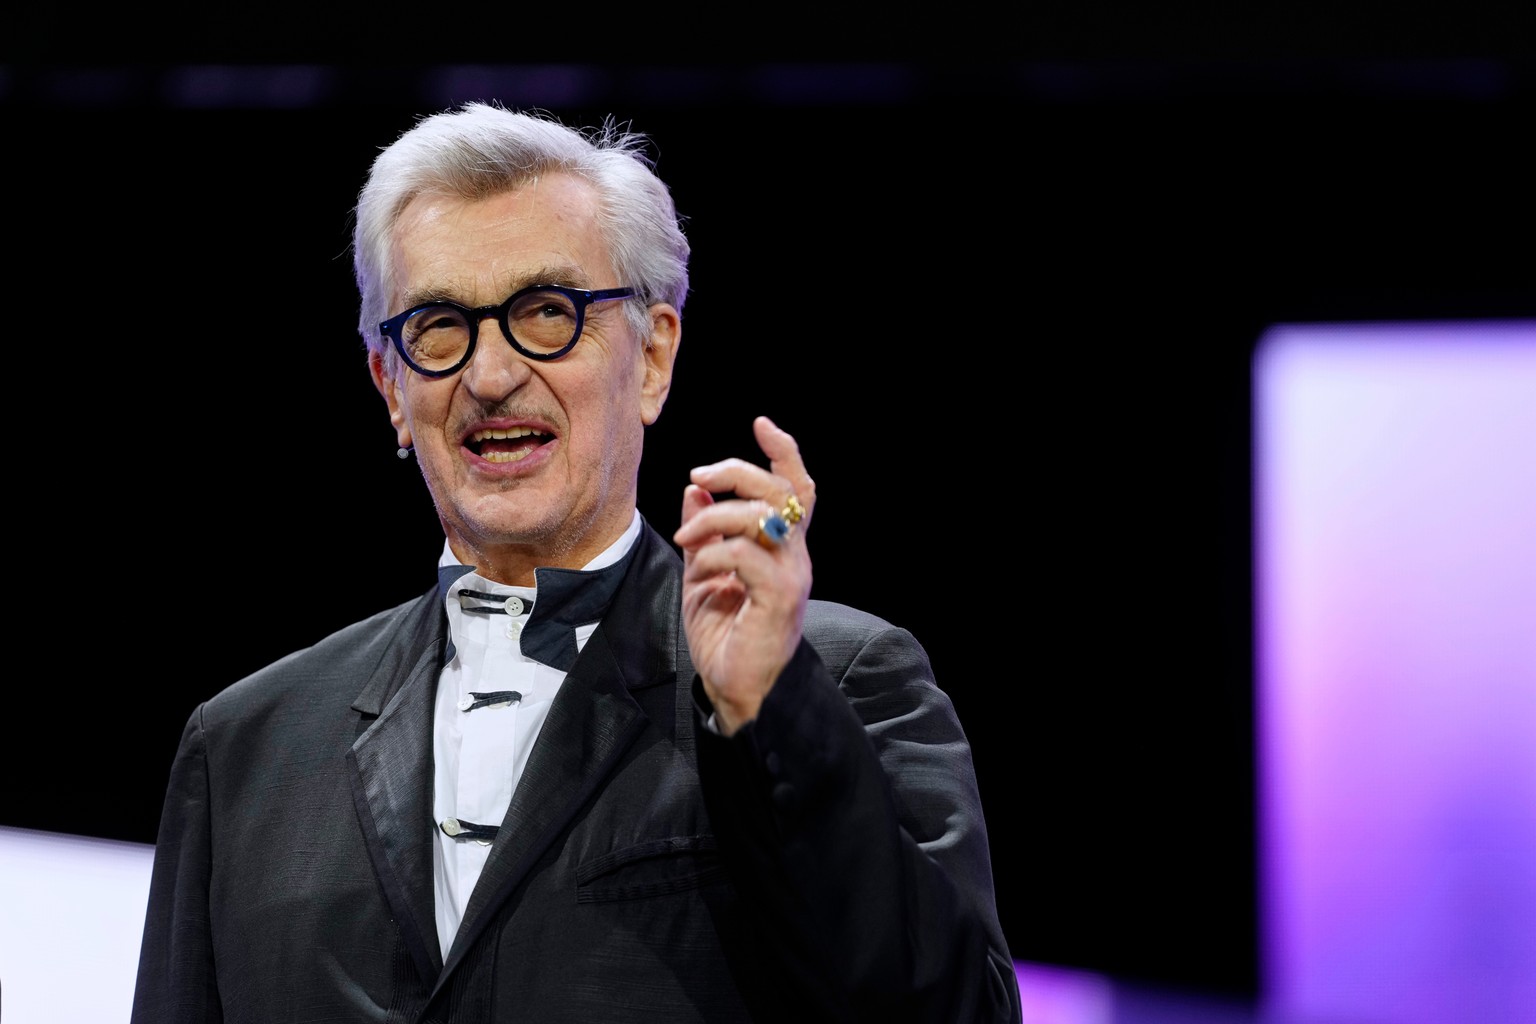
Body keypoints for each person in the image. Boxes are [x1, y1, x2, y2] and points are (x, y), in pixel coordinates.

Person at [131, 100, 1022, 1024]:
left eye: (546, 313)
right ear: (391, 387)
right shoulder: (242, 748)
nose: (489, 376)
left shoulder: (837, 679)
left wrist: (770, 709)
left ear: (653, 358)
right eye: (438, 326)